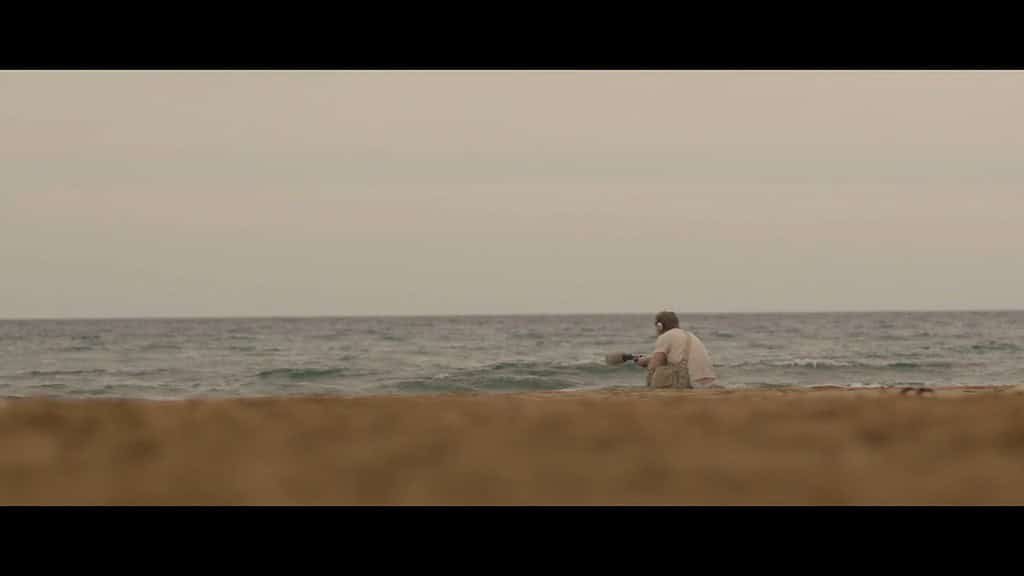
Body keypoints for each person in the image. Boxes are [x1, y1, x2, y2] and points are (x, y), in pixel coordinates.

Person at [636, 311, 718, 388]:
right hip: (709, 381)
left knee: (655, 373)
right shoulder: (690, 335)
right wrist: (648, 359)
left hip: (691, 383)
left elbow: (654, 365)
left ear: (659, 326)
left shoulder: (666, 336)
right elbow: (677, 357)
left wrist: (644, 362)